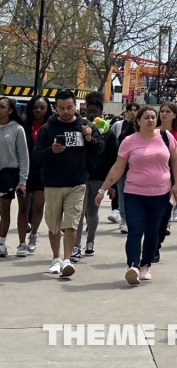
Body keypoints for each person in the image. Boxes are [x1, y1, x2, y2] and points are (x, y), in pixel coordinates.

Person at [95, 106, 177, 285]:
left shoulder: (166, 137)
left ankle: (145, 266)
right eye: (146, 117)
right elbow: (118, 167)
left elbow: (175, 161)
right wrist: (103, 189)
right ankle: (133, 266)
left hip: (160, 193)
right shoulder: (129, 141)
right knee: (135, 230)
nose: (151, 120)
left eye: (153, 117)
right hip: (134, 194)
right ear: (138, 121)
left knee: (153, 232)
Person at [33, 89, 104, 277]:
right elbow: (36, 155)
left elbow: (100, 148)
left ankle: (67, 260)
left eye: (70, 107)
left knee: (71, 223)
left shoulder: (85, 125)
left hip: (77, 183)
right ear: (56, 108)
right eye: (61, 108)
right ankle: (55, 258)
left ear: (76, 106)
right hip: (53, 184)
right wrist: (51, 150)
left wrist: (89, 138)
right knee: (54, 224)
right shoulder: (48, 129)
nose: (66, 111)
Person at [73, 93, 108, 260]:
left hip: (98, 177)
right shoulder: (79, 127)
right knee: (78, 213)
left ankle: (90, 240)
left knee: (92, 212)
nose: (91, 114)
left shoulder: (108, 131)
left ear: (101, 112)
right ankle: (76, 246)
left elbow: (112, 157)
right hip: (81, 175)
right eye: (88, 111)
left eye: (94, 111)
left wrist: (111, 184)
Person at [0, 96, 30, 257]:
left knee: (15, 210)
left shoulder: (17, 129)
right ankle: (2, 243)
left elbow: (24, 156)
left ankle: (16, 243)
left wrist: (23, 180)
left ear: (10, 110)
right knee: (2, 210)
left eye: (2, 107)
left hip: (12, 173)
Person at [24, 96, 51, 253]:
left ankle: (33, 234)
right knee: (24, 206)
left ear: (47, 109)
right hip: (25, 169)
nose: (38, 110)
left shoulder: (50, 126)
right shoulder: (24, 125)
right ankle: (23, 236)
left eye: (42, 107)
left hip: (43, 170)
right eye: (35, 107)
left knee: (38, 205)